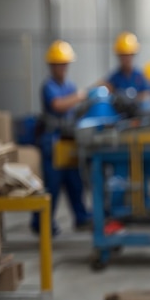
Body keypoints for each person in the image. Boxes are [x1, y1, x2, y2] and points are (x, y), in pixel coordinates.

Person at [30, 40, 91, 235]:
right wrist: (80, 96)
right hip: (52, 142)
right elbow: (58, 105)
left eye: (65, 64)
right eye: (59, 64)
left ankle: (81, 217)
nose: (62, 68)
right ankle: (41, 223)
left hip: (68, 140)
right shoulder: (48, 86)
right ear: (51, 66)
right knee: (52, 186)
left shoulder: (69, 85)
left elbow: (74, 110)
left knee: (75, 182)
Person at [105, 31, 148, 98]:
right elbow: (106, 88)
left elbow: (146, 95)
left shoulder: (140, 76)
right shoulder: (114, 78)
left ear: (133, 55)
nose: (126, 59)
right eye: (123, 56)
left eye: (128, 55)